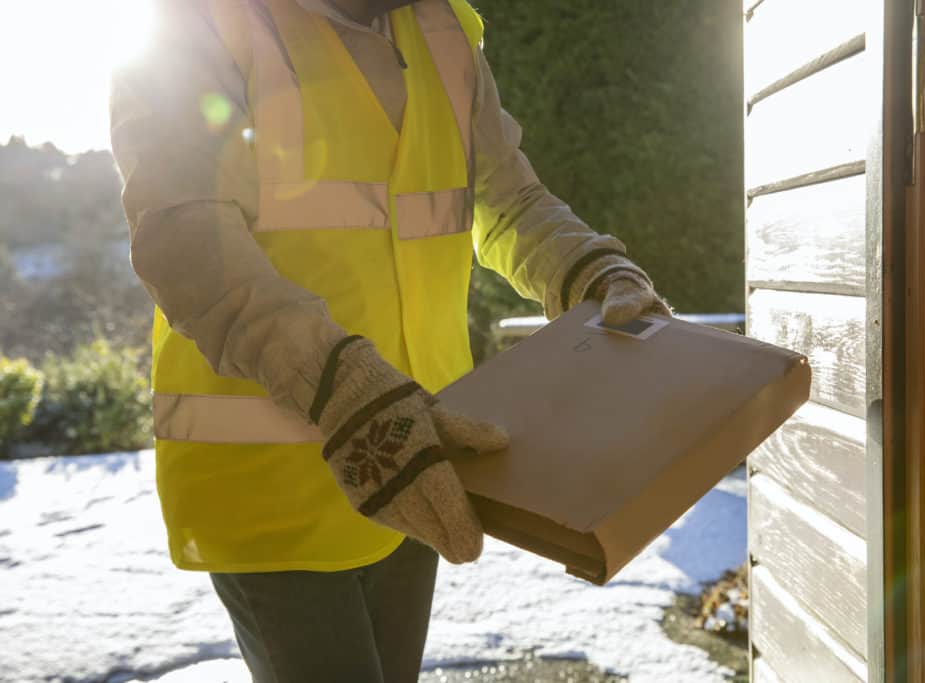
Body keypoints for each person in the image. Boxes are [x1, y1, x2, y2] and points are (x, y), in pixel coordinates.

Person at [110, 0, 670, 680]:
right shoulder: (202, 21)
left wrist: (588, 267)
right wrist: (344, 389)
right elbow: (183, 238)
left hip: (414, 456)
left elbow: (508, 201)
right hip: (267, 479)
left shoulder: (445, 31)